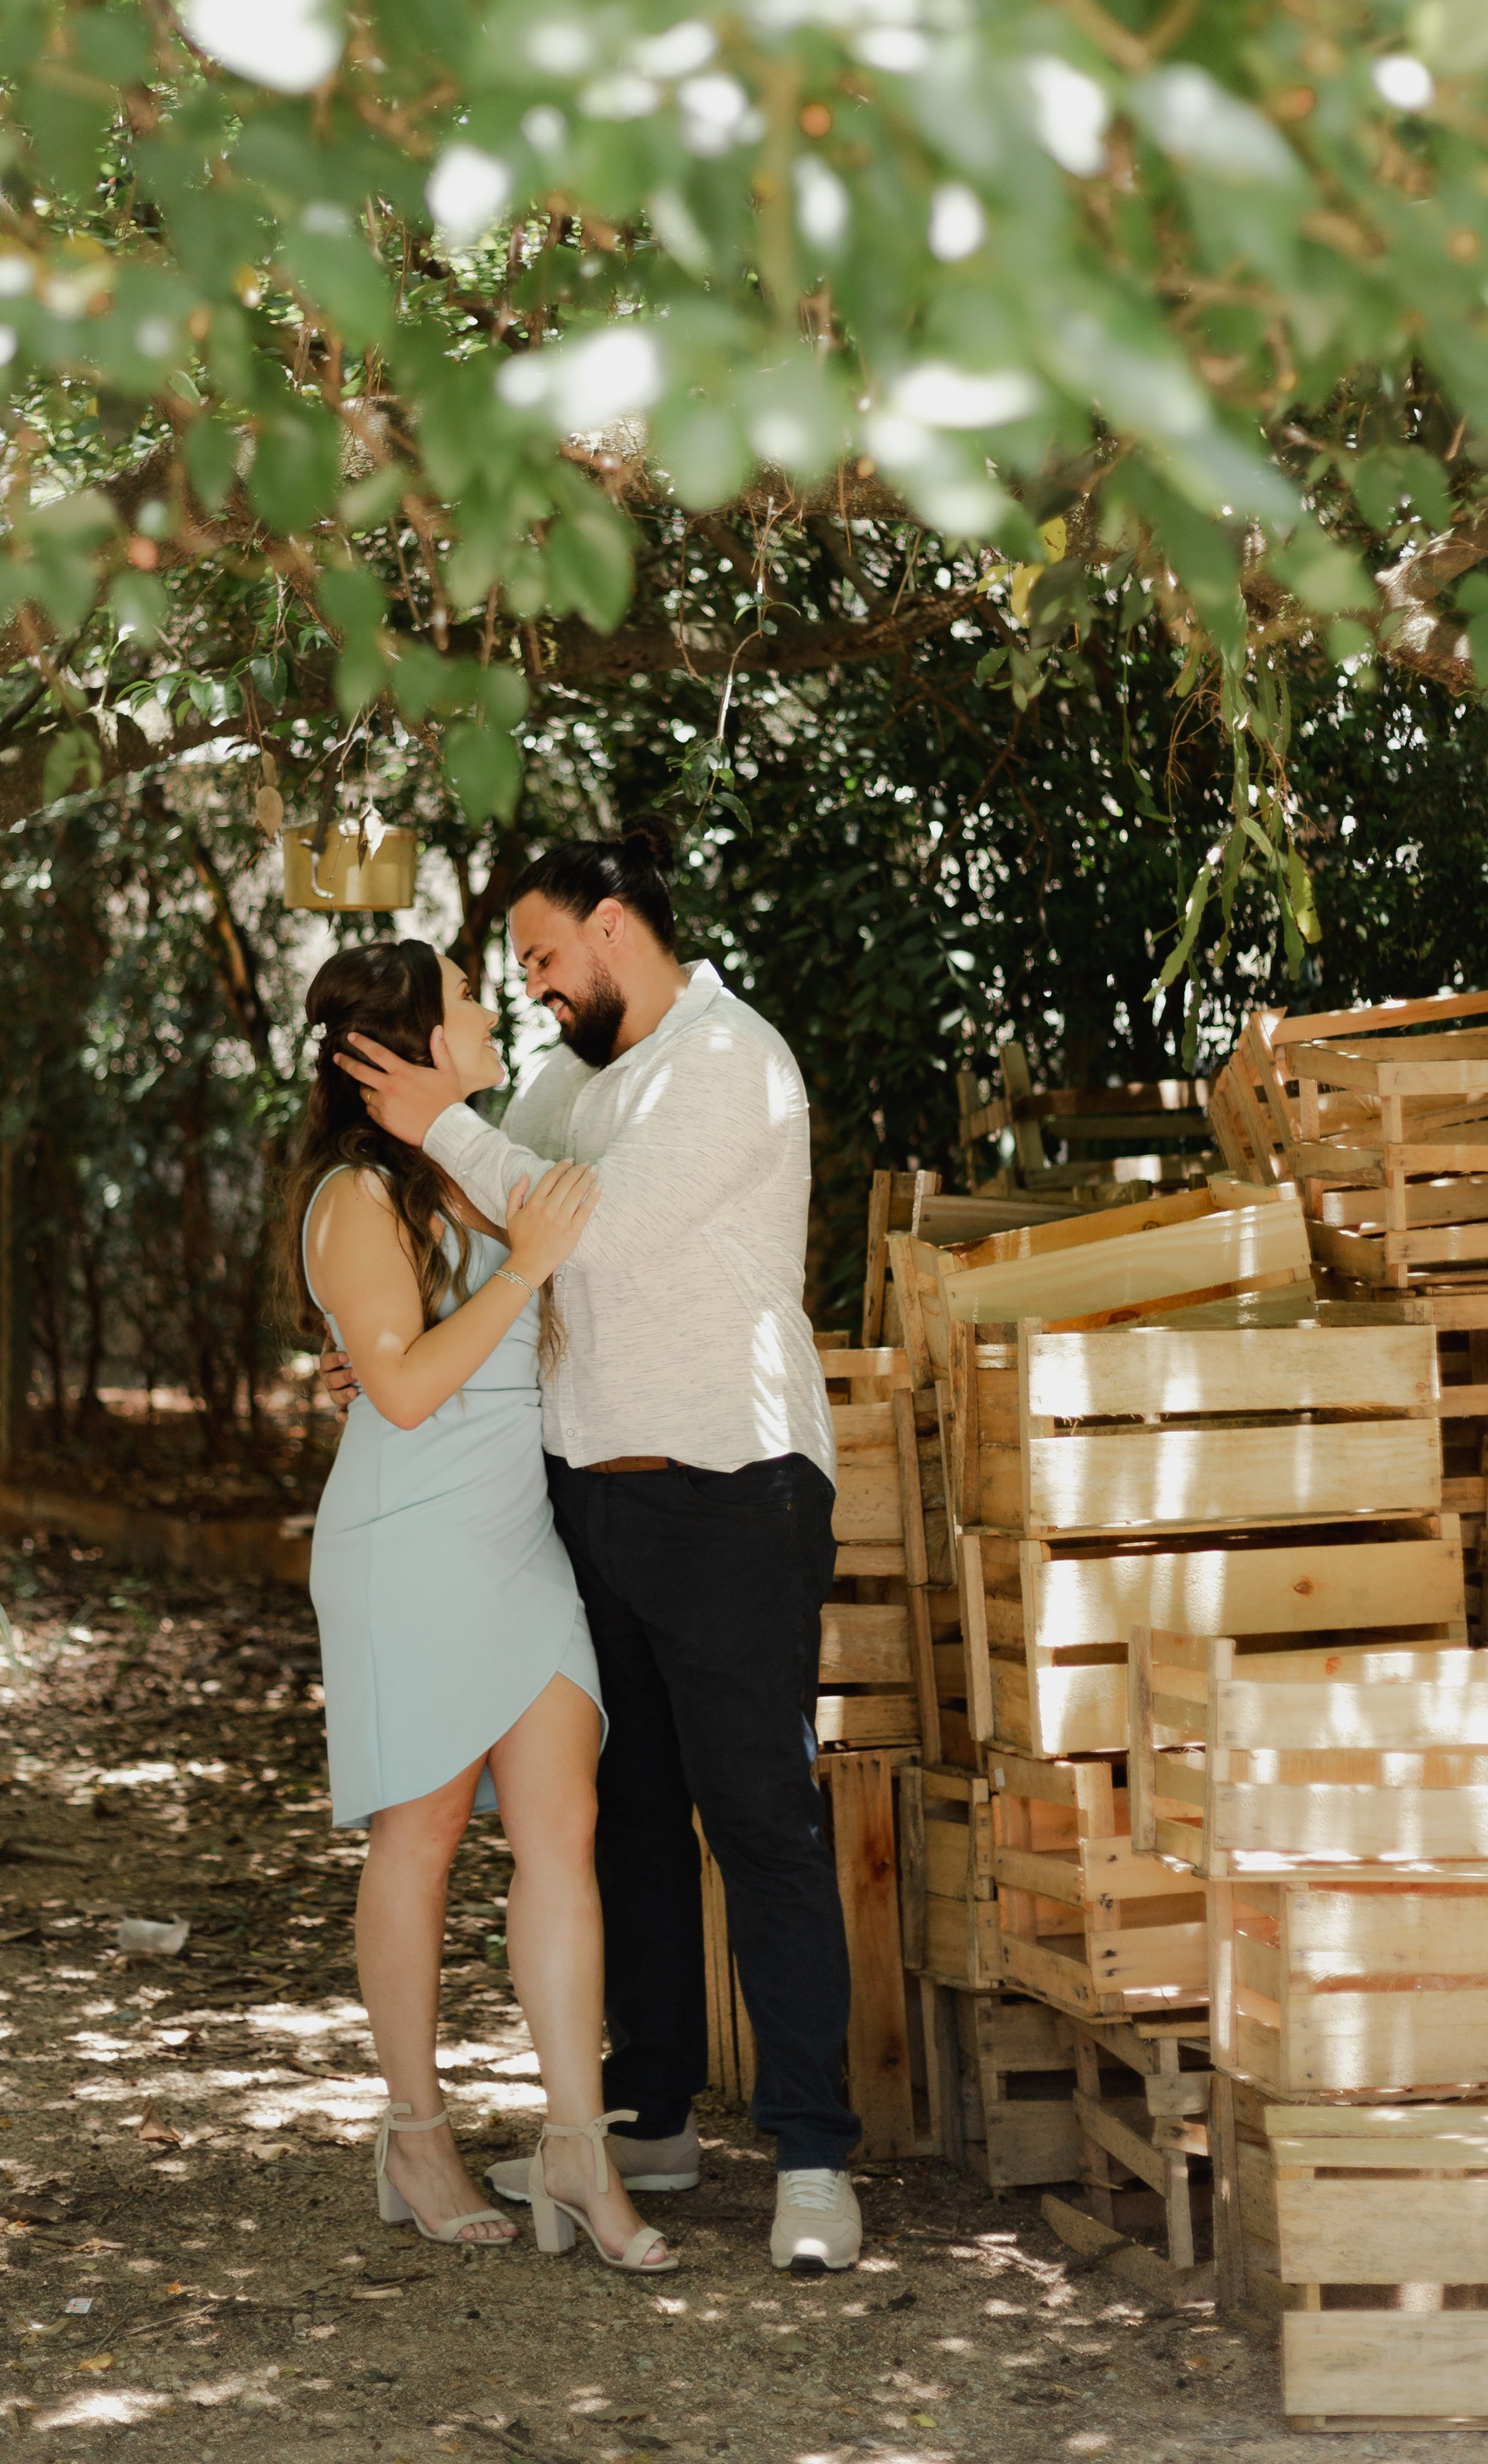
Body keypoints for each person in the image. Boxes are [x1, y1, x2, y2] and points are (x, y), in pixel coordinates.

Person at [334, 822, 863, 2274]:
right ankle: (653, 2120)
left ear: (617, 925)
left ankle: (814, 2156)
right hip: (587, 1497)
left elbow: (591, 1237)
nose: (538, 992)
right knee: (620, 1823)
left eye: (547, 958)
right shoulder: (571, 1083)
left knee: (757, 1818)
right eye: (519, 971)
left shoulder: (728, 1064)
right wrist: (375, 1350)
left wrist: (433, 1113)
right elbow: (494, 1237)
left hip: (736, 1488)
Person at [290, 936, 677, 2274]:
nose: (489, 1006)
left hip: (518, 1537)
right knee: (425, 1833)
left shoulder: (481, 1168)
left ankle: (578, 2145)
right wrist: (523, 1268)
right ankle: (414, 2132)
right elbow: (397, 1391)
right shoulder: (356, 1197)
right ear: (404, 1044)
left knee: (562, 1831)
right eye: (461, 997)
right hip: (408, 1543)